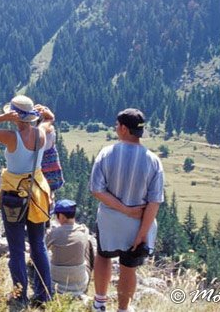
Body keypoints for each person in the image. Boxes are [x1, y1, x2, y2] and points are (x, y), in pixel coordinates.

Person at [0, 95, 52, 308]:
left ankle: (20, 294)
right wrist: (43, 113)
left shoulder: (11, 137)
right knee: (38, 245)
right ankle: (44, 294)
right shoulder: (42, 132)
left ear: (14, 114)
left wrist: (2, 117)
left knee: (16, 248)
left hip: (14, 195)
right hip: (37, 193)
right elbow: (50, 118)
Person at [89, 108, 164, 312]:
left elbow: (96, 189)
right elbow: (154, 202)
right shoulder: (153, 160)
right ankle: (123, 308)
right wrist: (142, 233)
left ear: (123, 128)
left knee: (103, 256)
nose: (115, 128)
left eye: (116, 125)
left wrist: (123, 209)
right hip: (138, 225)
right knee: (128, 268)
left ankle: (99, 303)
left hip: (109, 221)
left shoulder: (106, 153)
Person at [46, 199, 94, 296]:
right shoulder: (84, 231)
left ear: (62, 217)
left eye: (56, 216)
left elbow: (43, 249)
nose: (56, 218)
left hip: (55, 285)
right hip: (80, 285)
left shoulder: (54, 233)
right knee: (88, 245)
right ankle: (88, 287)